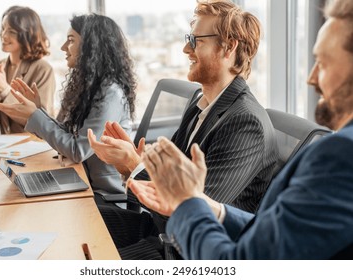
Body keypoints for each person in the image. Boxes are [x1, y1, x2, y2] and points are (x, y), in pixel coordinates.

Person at [128, 0, 353, 259]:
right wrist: (209, 207)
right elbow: (272, 233)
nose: (311, 78)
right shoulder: (201, 104)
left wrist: (186, 202)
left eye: (323, 63)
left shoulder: (342, 153)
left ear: (229, 47)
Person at [89, 0, 277, 259]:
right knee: (80, 219)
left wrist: (134, 165)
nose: (185, 48)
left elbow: (189, 213)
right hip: (161, 231)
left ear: (229, 47)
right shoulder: (201, 105)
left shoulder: (246, 123)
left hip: (187, 251)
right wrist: (132, 161)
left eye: (196, 40)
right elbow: (171, 180)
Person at [0, 14, 137, 197]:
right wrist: (38, 112)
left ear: (91, 46)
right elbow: (70, 134)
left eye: (70, 40)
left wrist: (34, 116)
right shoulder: (92, 86)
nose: (63, 48)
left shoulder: (110, 93)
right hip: (84, 182)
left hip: (101, 195)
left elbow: (78, 151)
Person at [0, 6, 55, 134]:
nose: (4, 35)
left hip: (35, 146)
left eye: (11, 31)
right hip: (8, 149)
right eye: (3, 28)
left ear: (27, 35)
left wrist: (4, 89)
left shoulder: (42, 69)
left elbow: (42, 122)